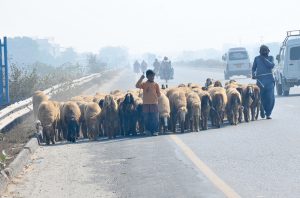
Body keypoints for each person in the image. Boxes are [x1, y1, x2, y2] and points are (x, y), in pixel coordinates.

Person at [252, 45, 275, 119]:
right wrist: (253, 74)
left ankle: (268, 113)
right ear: (260, 52)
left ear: (268, 51)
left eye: (266, 50)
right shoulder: (256, 58)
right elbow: (253, 68)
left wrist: (263, 59)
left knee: (270, 98)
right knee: (260, 97)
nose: (265, 52)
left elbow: (271, 65)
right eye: (263, 50)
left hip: (269, 81)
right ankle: (262, 110)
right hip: (260, 81)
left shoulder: (271, 58)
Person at [136, 69, 161, 136]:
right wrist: (141, 78)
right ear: (147, 77)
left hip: (154, 103)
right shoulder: (144, 84)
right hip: (146, 104)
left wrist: (156, 96)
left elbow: (159, 94)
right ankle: (147, 130)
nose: (152, 77)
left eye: (153, 76)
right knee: (146, 118)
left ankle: (155, 131)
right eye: (151, 76)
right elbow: (137, 85)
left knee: (155, 117)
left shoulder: (156, 85)